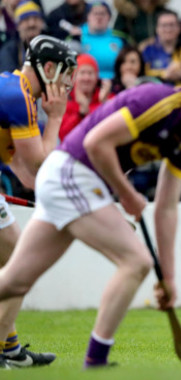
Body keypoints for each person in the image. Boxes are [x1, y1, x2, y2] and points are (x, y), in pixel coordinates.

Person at [0, 55, 181, 368]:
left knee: (14, 282)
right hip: (73, 171)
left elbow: (167, 209)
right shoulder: (158, 101)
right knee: (136, 261)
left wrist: (168, 277)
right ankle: (96, 359)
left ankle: (96, 359)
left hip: (73, 179)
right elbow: (96, 142)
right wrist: (127, 193)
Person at [0, 35, 77, 369]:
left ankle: (9, 347)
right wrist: (57, 118)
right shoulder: (20, 98)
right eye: (64, 77)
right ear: (47, 68)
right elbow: (40, 169)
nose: (67, 86)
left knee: (18, 263)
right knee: (21, 264)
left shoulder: (14, 90)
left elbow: (30, 178)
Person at [59, 53, 108, 140]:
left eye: (90, 73)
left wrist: (104, 105)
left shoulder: (107, 99)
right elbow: (63, 135)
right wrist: (81, 114)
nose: (86, 78)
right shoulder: (64, 103)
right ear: (74, 77)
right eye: (82, 73)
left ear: (97, 78)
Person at [79, 1, 126, 80]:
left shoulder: (120, 38)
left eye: (102, 13)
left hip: (115, 82)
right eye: (95, 13)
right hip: (86, 81)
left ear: (109, 17)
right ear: (88, 17)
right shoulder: (77, 37)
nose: (99, 17)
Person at [0, 0, 44, 72]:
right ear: (18, 26)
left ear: (42, 23)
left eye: (35, 18)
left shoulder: (51, 44)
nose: (32, 23)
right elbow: (8, 76)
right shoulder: (9, 50)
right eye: (26, 19)